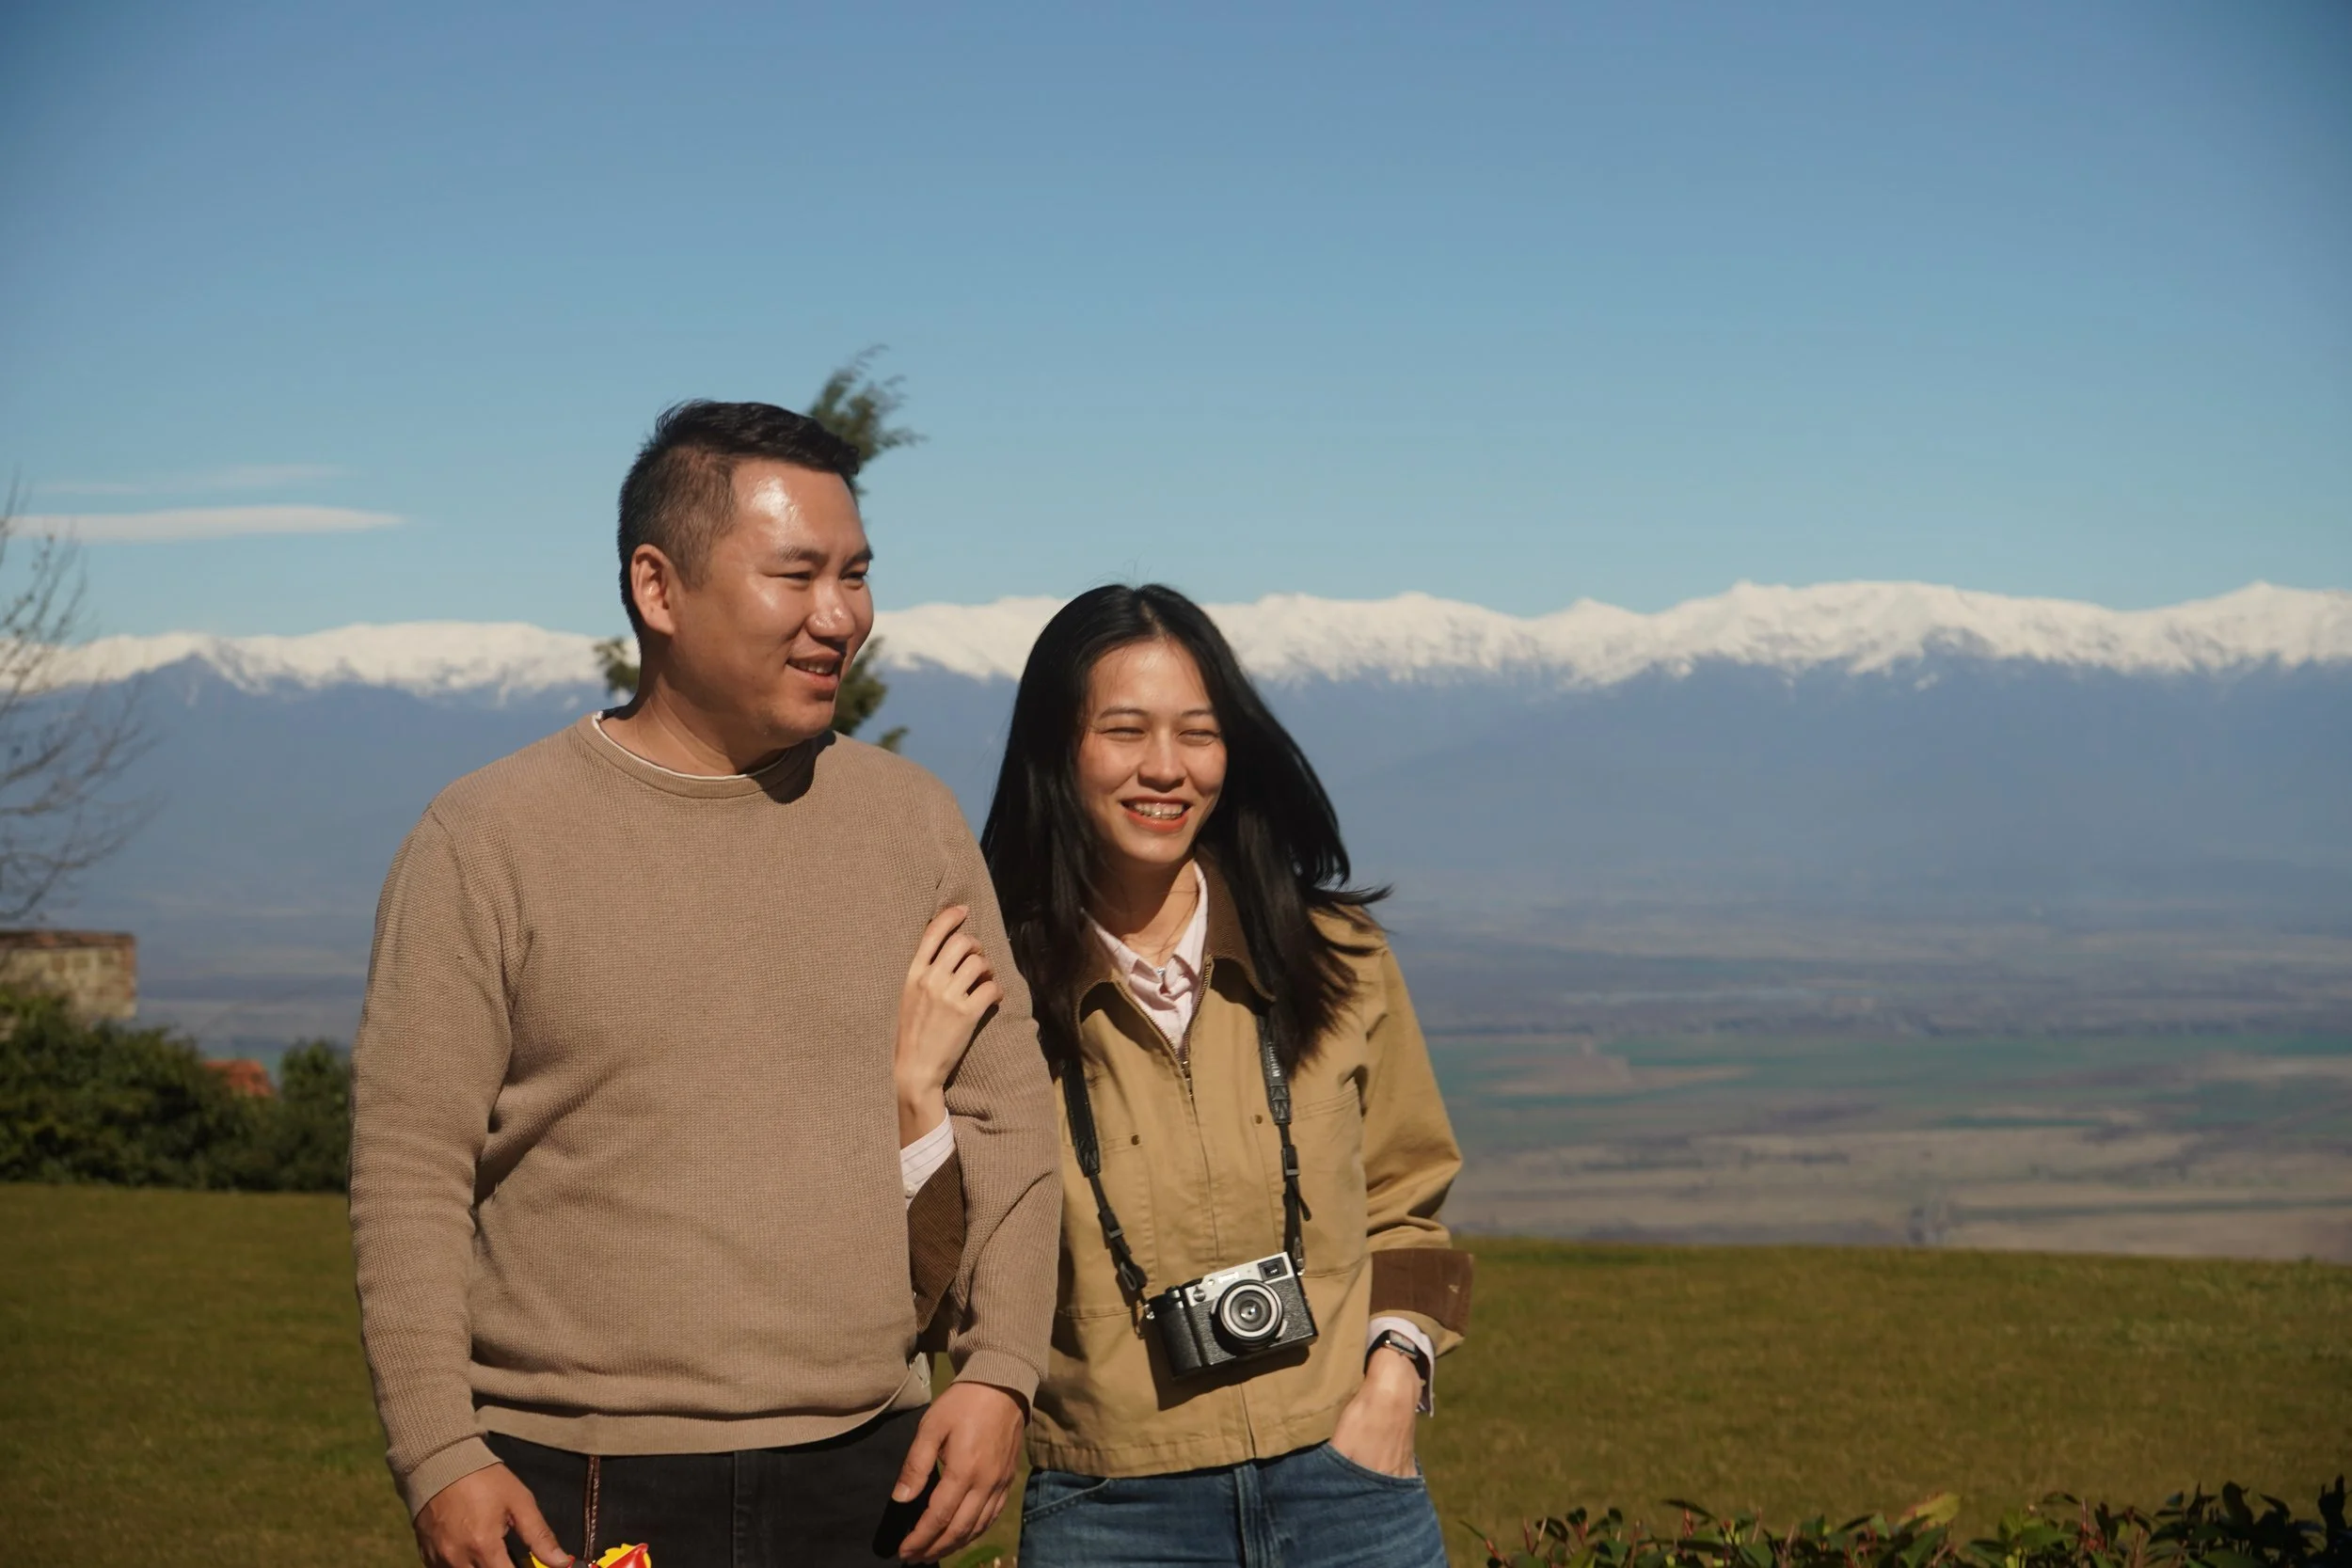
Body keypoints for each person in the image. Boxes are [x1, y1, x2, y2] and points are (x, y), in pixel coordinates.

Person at [348, 401, 1059, 1568]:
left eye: (858, 575)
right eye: (798, 574)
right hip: (576, 1478)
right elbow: (409, 1165)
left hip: (873, 1466)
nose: (842, 616)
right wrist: (440, 1450)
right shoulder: (487, 839)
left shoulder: (910, 824)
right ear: (658, 587)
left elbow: (1008, 1113)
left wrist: (1000, 1370)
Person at [977, 584, 1472, 1568]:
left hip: (1351, 1489)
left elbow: (1408, 1201)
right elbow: (949, 1275)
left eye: (1196, 733)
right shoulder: (989, 991)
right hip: (1110, 1508)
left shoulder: (1337, 957)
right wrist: (913, 1088)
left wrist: (1393, 1378)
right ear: (1056, 750)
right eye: (1124, 730)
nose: (1165, 767)